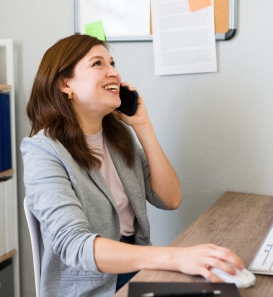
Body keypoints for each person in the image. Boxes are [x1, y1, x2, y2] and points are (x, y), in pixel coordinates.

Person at [21, 34, 244, 297]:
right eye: (98, 64)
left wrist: (143, 127)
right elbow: (74, 245)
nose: (113, 72)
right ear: (65, 83)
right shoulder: (42, 150)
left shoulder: (117, 137)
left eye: (112, 63)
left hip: (136, 269)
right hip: (94, 286)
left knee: (227, 289)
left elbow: (169, 198)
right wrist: (175, 258)